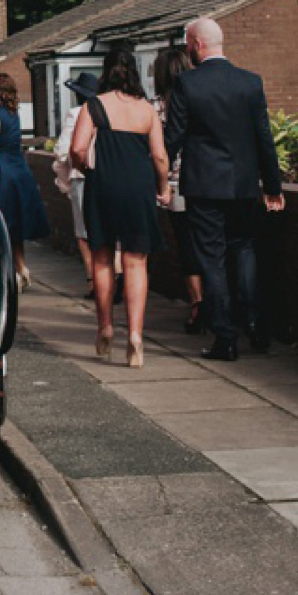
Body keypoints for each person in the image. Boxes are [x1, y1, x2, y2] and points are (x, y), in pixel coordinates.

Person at [164, 16, 284, 361]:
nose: (187, 49)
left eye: (188, 42)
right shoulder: (250, 82)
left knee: (212, 261)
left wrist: (157, 177)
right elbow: (264, 139)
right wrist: (272, 185)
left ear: (198, 44)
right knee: (245, 250)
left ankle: (225, 339)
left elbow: (173, 137)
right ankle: (257, 327)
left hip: (204, 187)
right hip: (244, 186)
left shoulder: (188, 84)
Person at [72, 43, 169, 367]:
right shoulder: (147, 110)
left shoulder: (93, 106)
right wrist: (163, 186)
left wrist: (87, 169)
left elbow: (77, 149)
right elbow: (159, 156)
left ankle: (105, 327)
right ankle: (137, 337)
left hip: (103, 186)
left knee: (101, 259)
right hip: (138, 189)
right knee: (135, 262)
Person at [0, 72, 49, 289]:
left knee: (1, 225)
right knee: (14, 226)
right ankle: (22, 267)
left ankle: (9, 274)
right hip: (18, 170)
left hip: (1, 172)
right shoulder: (13, 114)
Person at [153, 44, 205, 334]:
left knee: (186, 246)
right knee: (208, 242)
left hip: (173, 186)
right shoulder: (200, 100)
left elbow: (156, 152)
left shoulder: (155, 106)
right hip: (205, 180)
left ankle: (197, 303)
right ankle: (215, 299)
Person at [53, 71, 97, 296]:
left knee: (83, 233)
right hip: (108, 178)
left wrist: (63, 183)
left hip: (81, 178)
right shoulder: (107, 111)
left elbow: (63, 152)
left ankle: (93, 282)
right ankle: (115, 276)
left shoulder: (76, 114)